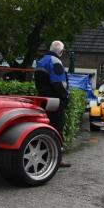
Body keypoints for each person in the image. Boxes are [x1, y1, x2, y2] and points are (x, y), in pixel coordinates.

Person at [34, 40, 71, 168]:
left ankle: (43, 156)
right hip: (54, 101)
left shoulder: (41, 61)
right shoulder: (55, 61)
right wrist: (65, 96)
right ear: (61, 52)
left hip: (42, 99)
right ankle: (58, 159)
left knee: (44, 127)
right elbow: (58, 83)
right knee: (57, 128)